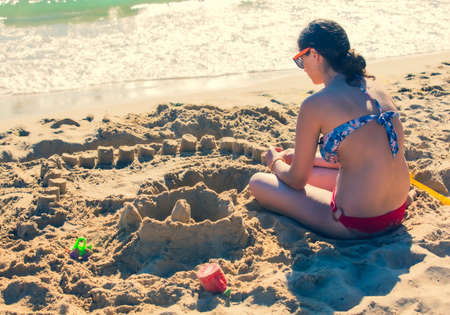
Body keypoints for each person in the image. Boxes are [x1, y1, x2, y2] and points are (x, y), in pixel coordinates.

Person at [248, 19, 410, 239]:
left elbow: (297, 180)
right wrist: (305, 159)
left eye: (300, 59)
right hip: (396, 210)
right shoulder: (376, 87)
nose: (302, 66)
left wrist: (274, 162)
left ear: (314, 54)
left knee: (258, 182)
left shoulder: (316, 104)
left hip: (357, 223)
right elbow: (359, 154)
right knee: (309, 167)